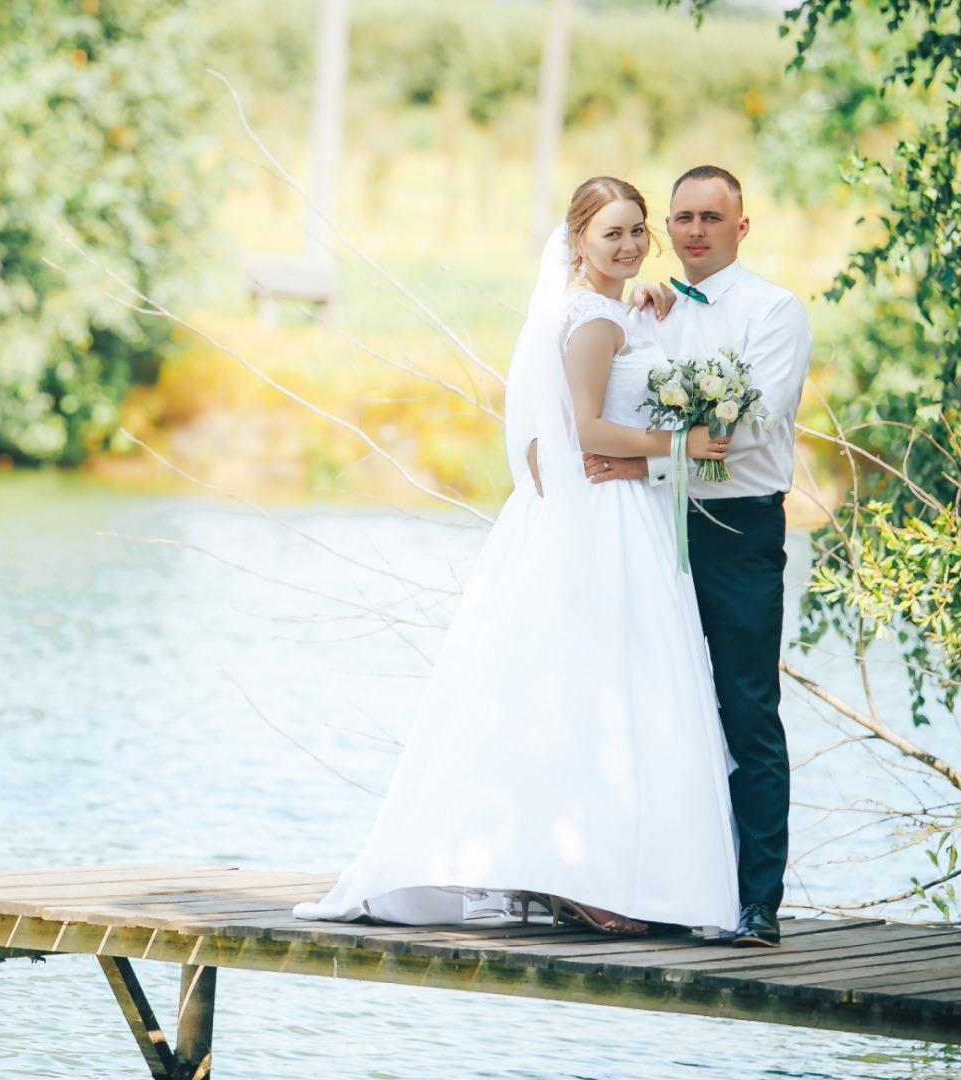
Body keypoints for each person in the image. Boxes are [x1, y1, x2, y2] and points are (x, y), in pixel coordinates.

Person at [293, 177, 741, 937]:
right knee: (614, 685)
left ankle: (589, 874)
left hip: (617, 512)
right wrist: (684, 443)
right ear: (578, 246)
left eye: (639, 232)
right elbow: (587, 431)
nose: (631, 246)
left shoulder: (609, 314)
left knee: (605, 690)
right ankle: (594, 882)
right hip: (605, 516)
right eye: (613, 235)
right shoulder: (593, 322)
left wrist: (650, 319)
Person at [589, 165, 813, 948]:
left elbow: (748, 430)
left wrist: (642, 462)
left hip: (738, 528)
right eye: (680, 216)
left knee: (746, 711)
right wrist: (641, 471)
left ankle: (756, 904)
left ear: (741, 227)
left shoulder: (775, 313)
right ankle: (659, 886)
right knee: (663, 706)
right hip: (652, 526)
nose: (693, 231)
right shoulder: (652, 311)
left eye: (710, 217)